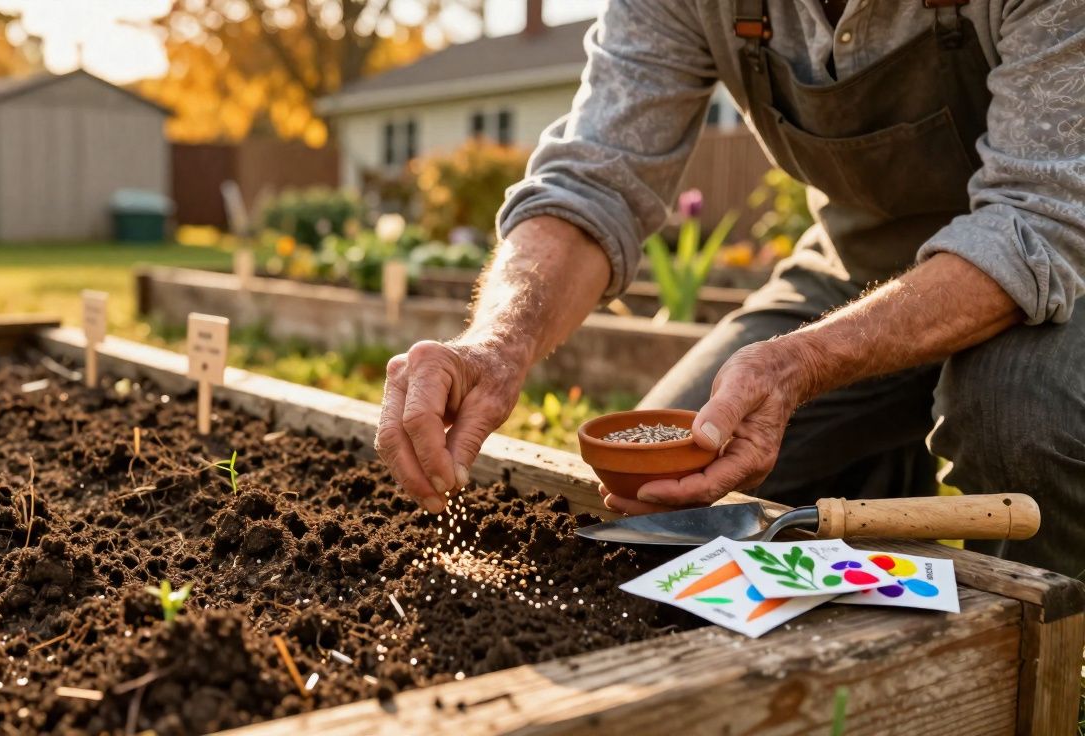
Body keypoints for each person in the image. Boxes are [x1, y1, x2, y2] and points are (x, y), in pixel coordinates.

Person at [374, 0, 1085, 577]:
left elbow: (1035, 221)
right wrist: (498, 344)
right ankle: (880, 513)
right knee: (657, 497)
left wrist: (801, 364)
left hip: (1064, 267)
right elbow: (594, 181)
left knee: (1016, 412)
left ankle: (1039, 655)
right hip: (854, 270)